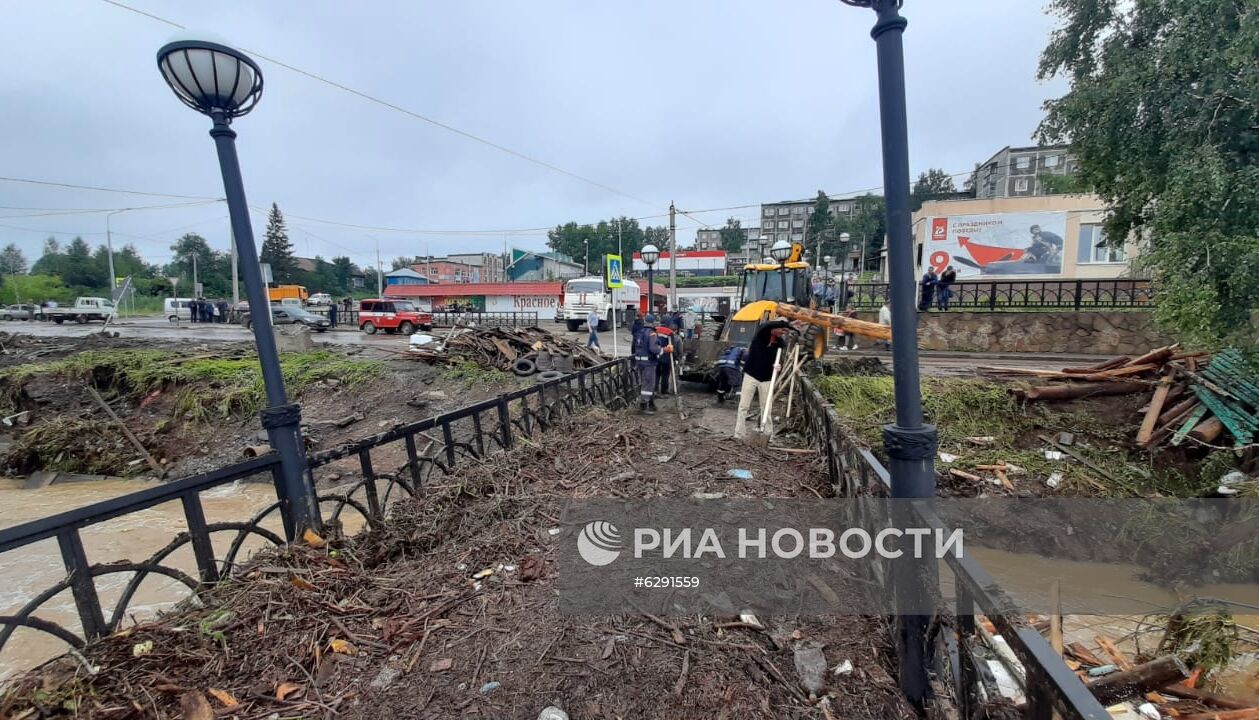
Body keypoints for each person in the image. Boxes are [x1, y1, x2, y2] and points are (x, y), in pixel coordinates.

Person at [734, 320, 791, 439]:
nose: (783, 333)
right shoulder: (760, 335)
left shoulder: (780, 345)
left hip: (767, 378)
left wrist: (778, 366)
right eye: (781, 330)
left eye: (785, 331)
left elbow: (779, 361)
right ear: (774, 328)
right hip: (751, 374)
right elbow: (766, 326)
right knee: (743, 406)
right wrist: (785, 323)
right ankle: (739, 434)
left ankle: (767, 435)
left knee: (766, 408)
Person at [632, 322, 665, 414]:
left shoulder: (639, 332)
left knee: (645, 382)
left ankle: (650, 403)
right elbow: (653, 349)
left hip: (640, 361)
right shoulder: (652, 333)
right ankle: (644, 406)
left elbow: (634, 347)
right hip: (649, 362)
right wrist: (663, 350)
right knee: (649, 384)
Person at [655, 326, 675, 396]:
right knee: (665, 374)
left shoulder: (656, 329)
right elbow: (672, 345)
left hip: (657, 355)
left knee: (656, 373)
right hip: (666, 356)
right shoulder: (669, 332)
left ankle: (655, 389)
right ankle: (664, 390)